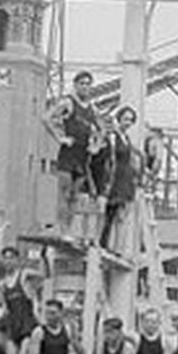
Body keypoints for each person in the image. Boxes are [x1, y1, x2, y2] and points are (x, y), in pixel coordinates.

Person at [45, 70, 103, 239]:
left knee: (74, 196)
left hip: (83, 155)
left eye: (88, 84)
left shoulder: (92, 108)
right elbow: (47, 118)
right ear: (75, 85)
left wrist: (96, 146)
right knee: (64, 191)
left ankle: (68, 229)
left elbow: (102, 129)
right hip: (68, 153)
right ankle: (62, 229)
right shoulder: (68, 103)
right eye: (82, 83)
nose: (85, 87)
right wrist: (60, 137)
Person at [98, 105, 141, 252]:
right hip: (115, 177)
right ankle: (104, 243)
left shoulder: (126, 138)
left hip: (126, 178)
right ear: (119, 119)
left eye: (130, 120)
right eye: (125, 119)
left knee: (121, 214)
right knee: (110, 213)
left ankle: (118, 246)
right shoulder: (114, 136)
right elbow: (109, 157)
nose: (128, 123)